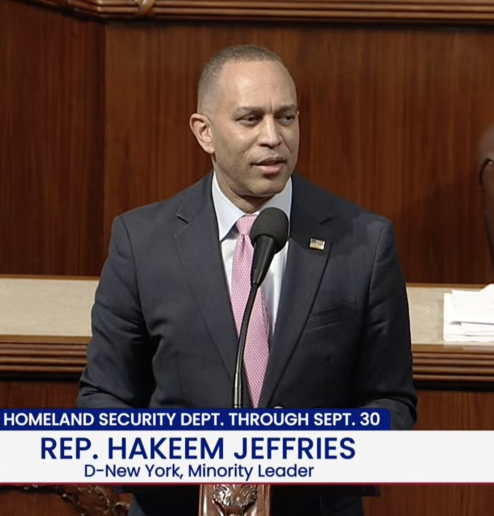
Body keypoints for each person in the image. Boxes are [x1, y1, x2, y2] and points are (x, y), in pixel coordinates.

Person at [77, 44, 417, 516]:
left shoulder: (363, 243)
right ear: (205, 132)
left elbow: (390, 403)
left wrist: (311, 456)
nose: (273, 137)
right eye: (250, 119)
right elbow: (104, 399)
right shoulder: (140, 243)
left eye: (287, 117)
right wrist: (180, 461)